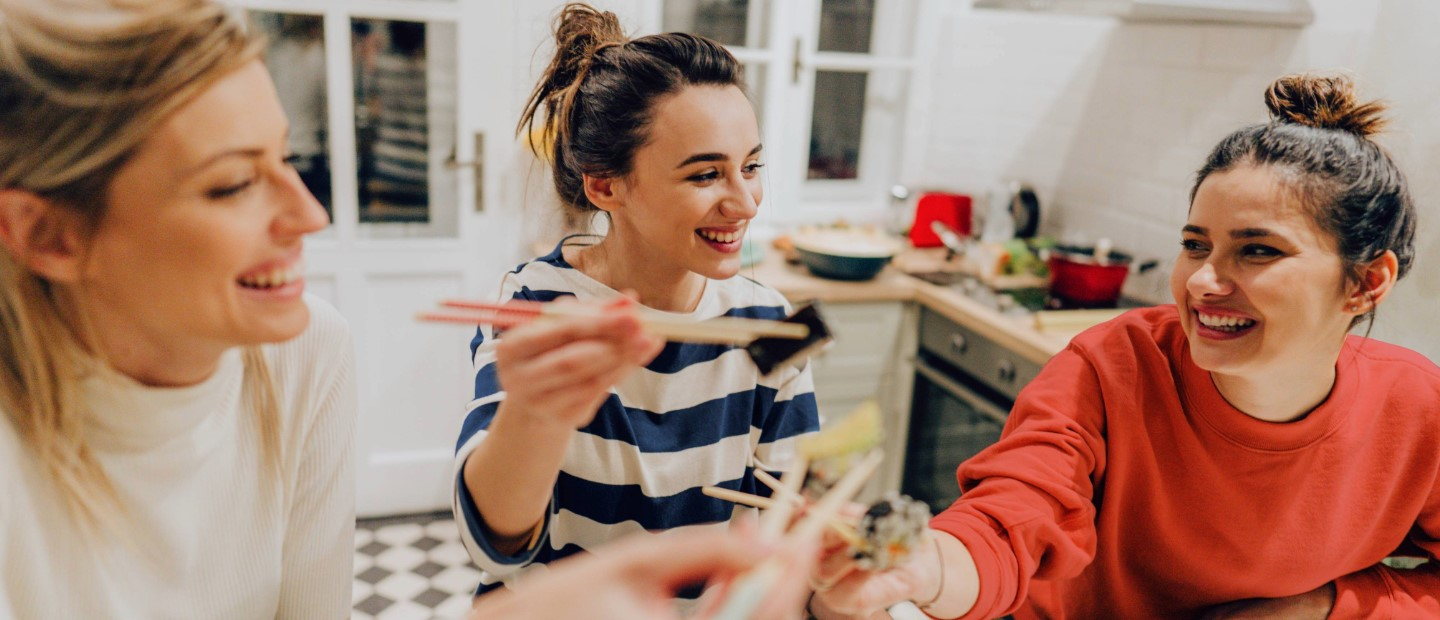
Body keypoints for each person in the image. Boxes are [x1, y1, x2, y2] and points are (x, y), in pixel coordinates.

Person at [809, 73, 1440, 619]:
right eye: (1196, 244)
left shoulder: (1417, 408)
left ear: (1364, 281)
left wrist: (1323, 606)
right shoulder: (1113, 365)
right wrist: (927, 566)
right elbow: (1015, 516)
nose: (1201, 281)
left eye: (1257, 250)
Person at [451, 2, 821, 607]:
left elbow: (785, 530)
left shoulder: (774, 324)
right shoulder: (537, 305)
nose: (746, 202)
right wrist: (538, 414)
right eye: (706, 175)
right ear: (604, 185)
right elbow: (493, 543)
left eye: (751, 167)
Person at [0, 0, 354, 616]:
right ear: (46, 235)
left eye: (286, 158)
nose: (310, 216)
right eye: (233, 184)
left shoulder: (307, 353)